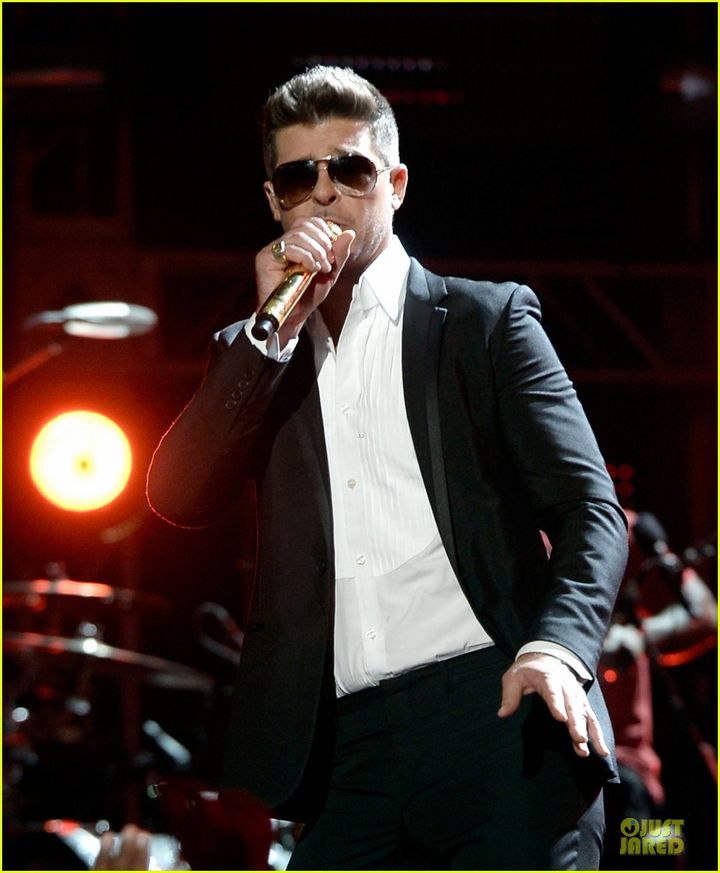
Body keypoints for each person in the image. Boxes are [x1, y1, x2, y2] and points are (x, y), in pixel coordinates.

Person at [147, 65, 628, 870]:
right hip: (346, 748)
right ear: (274, 202)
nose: (324, 192)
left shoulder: (484, 321)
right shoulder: (257, 352)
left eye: (350, 169)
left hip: (495, 712)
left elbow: (591, 509)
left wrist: (558, 646)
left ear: (395, 185)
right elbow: (178, 494)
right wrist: (268, 337)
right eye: (299, 177)